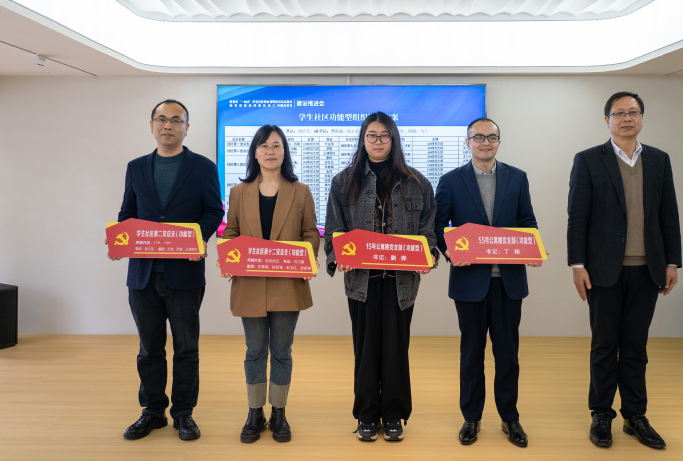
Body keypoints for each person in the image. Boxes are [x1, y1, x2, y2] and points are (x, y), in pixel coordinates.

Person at [567, 91, 681, 450]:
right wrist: (577, 265)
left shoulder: (659, 160)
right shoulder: (588, 159)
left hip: (648, 269)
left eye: (633, 112)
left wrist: (672, 261)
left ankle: (635, 415)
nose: (627, 118)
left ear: (642, 118)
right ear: (607, 121)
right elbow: (577, 216)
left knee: (635, 345)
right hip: (602, 271)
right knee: (604, 345)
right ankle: (601, 414)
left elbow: (669, 214)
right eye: (619, 113)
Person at [110, 99, 224, 441]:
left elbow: (214, 211)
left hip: (184, 275)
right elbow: (127, 213)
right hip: (142, 275)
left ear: (187, 127)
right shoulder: (136, 167)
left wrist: (197, 238)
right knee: (149, 349)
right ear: (151, 125)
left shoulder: (203, 167)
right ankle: (152, 411)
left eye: (176, 120)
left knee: (186, 348)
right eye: (162, 119)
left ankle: (184, 413)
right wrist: (121, 240)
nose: (168, 125)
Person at [324, 112, 437, 442]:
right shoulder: (343, 182)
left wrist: (428, 254)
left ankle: (394, 415)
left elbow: (428, 229)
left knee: (396, 349)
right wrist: (337, 256)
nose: (378, 141)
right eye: (371, 135)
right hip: (362, 281)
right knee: (366, 350)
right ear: (363, 139)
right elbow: (333, 230)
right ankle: (367, 415)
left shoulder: (417, 182)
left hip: (401, 282)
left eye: (384, 136)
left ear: (394, 139)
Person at [435, 118, 539, 448]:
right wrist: (451, 252)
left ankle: (510, 417)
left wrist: (532, 247)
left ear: (499, 142)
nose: (485, 142)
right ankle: (471, 417)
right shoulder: (451, 181)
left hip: (509, 281)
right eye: (478, 137)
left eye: (491, 137)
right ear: (467, 143)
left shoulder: (517, 177)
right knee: (471, 354)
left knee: (508, 355)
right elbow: (438, 225)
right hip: (470, 282)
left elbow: (527, 221)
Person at [220, 125, 319, 443]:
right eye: (264, 146)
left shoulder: (300, 191)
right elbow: (231, 233)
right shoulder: (239, 192)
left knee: (281, 351)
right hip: (250, 284)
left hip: (287, 284)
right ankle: (254, 412)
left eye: (276, 145)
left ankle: (278, 411)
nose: (270, 151)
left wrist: (307, 259)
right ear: (255, 152)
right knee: (254, 351)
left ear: (285, 152)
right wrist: (228, 258)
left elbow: (310, 234)